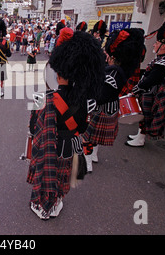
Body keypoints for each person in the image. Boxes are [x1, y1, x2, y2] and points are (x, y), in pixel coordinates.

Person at [27, 31, 106, 220]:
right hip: (69, 147)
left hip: (47, 148)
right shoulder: (86, 102)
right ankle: (56, 204)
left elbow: (32, 128)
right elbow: (83, 129)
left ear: (58, 73)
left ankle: (41, 206)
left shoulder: (41, 98)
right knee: (62, 176)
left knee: (45, 175)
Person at [82, 28, 145, 172]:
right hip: (111, 107)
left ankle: (87, 162)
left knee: (87, 136)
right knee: (95, 137)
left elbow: (100, 94)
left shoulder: (113, 72)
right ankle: (94, 155)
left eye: (107, 53)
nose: (105, 54)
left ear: (113, 55)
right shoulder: (118, 69)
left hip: (101, 107)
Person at [126, 17, 165, 147]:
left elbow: (151, 80)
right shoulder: (162, 59)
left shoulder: (163, 63)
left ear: (164, 46)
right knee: (143, 116)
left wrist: (137, 88)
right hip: (149, 92)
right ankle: (139, 135)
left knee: (146, 116)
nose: (154, 45)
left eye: (157, 43)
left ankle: (141, 138)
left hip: (152, 94)